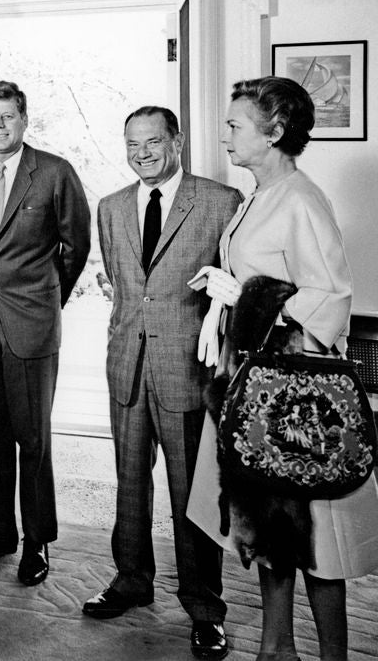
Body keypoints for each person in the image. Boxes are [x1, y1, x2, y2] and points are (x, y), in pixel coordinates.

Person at [187, 76, 378, 661]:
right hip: (258, 391)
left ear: (274, 132)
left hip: (298, 405)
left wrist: (246, 292)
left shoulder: (300, 198)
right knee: (272, 531)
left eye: (235, 125)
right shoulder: (259, 196)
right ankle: (276, 649)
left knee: (318, 543)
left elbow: (330, 297)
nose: (225, 135)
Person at [86, 106, 242, 659]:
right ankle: (131, 581)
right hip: (125, 365)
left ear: (176, 141)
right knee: (129, 483)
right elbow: (126, 287)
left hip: (186, 372)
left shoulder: (220, 202)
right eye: (132, 144)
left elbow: (233, 288)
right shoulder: (108, 208)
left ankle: (204, 608)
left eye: (153, 142)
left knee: (189, 494)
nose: (141, 153)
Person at [0, 80, 91, 585]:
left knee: (32, 439)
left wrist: (44, 297)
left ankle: (37, 542)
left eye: (7, 116)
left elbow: (74, 248)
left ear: (24, 119)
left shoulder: (54, 172)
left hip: (31, 324)